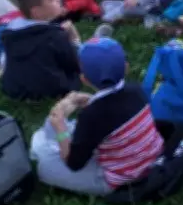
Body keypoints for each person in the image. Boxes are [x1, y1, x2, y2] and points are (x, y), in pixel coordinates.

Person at [31, 37, 164, 196]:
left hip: (121, 178)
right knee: (68, 135)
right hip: (151, 158)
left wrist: (59, 126)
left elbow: (73, 164)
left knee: (45, 163)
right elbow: (115, 112)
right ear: (126, 68)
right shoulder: (137, 90)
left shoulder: (91, 116)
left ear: (84, 79)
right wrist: (91, 101)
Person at [0, 0, 82, 100]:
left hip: (15, 90)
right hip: (54, 90)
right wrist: (74, 38)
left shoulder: (9, 34)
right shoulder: (56, 36)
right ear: (36, 12)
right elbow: (76, 65)